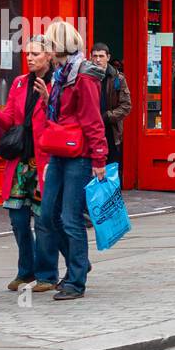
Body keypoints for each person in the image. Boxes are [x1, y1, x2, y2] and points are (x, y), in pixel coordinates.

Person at [0, 35, 53, 291]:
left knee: (43, 221)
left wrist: (49, 100)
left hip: (44, 161)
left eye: (35, 54)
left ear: (49, 56)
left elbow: (62, 120)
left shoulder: (57, 83)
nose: (29, 58)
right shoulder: (18, 83)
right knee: (18, 219)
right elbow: (7, 122)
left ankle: (47, 275)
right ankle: (25, 271)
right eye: (27, 54)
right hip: (19, 163)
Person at [34, 20, 109, 301]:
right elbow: (59, 116)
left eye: (49, 45)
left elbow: (92, 120)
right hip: (60, 149)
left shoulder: (84, 76)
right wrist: (45, 99)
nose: (46, 50)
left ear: (59, 45)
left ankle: (76, 280)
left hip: (79, 155)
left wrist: (99, 157)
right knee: (48, 215)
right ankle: (80, 262)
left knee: (70, 217)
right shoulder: (61, 74)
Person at [89, 42, 131, 176]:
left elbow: (126, 106)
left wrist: (107, 116)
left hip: (110, 130)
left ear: (108, 57)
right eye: (94, 56)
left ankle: (110, 196)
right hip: (90, 128)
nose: (97, 59)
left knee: (111, 170)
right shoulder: (85, 77)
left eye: (101, 56)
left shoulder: (118, 78)